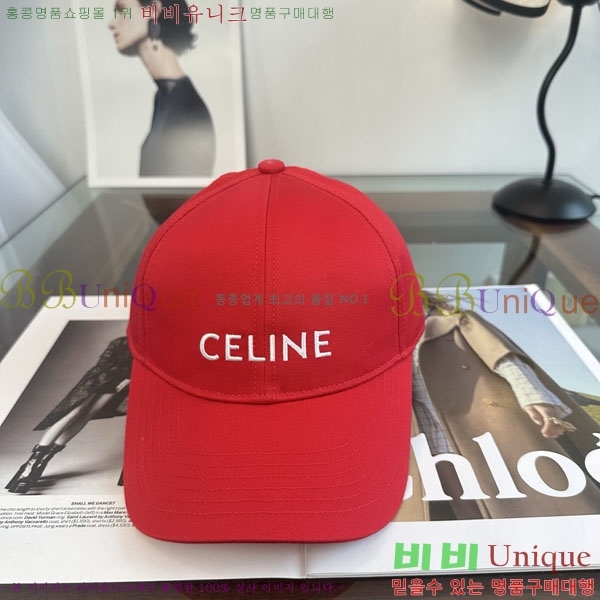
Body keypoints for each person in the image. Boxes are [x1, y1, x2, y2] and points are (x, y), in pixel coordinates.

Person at [395, 292, 600, 521]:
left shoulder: (455, 319)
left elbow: (502, 356)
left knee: (525, 494)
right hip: (426, 431)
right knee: (460, 502)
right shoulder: (386, 337)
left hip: (480, 422)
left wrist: (533, 396)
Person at [5, 337, 132, 494]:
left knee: (88, 415)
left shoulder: (145, 345)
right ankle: (32, 463)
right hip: (99, 378)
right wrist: (125, 376)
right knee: (73, 413)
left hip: (118, 382)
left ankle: (43, 461)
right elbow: (103, 363)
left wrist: (128, 379)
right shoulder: (121, 342)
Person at [108, 0, 216, 177]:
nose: (111, 23)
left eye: (123, 11)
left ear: (152, 11)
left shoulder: (186, 107)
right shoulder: (163, 96)